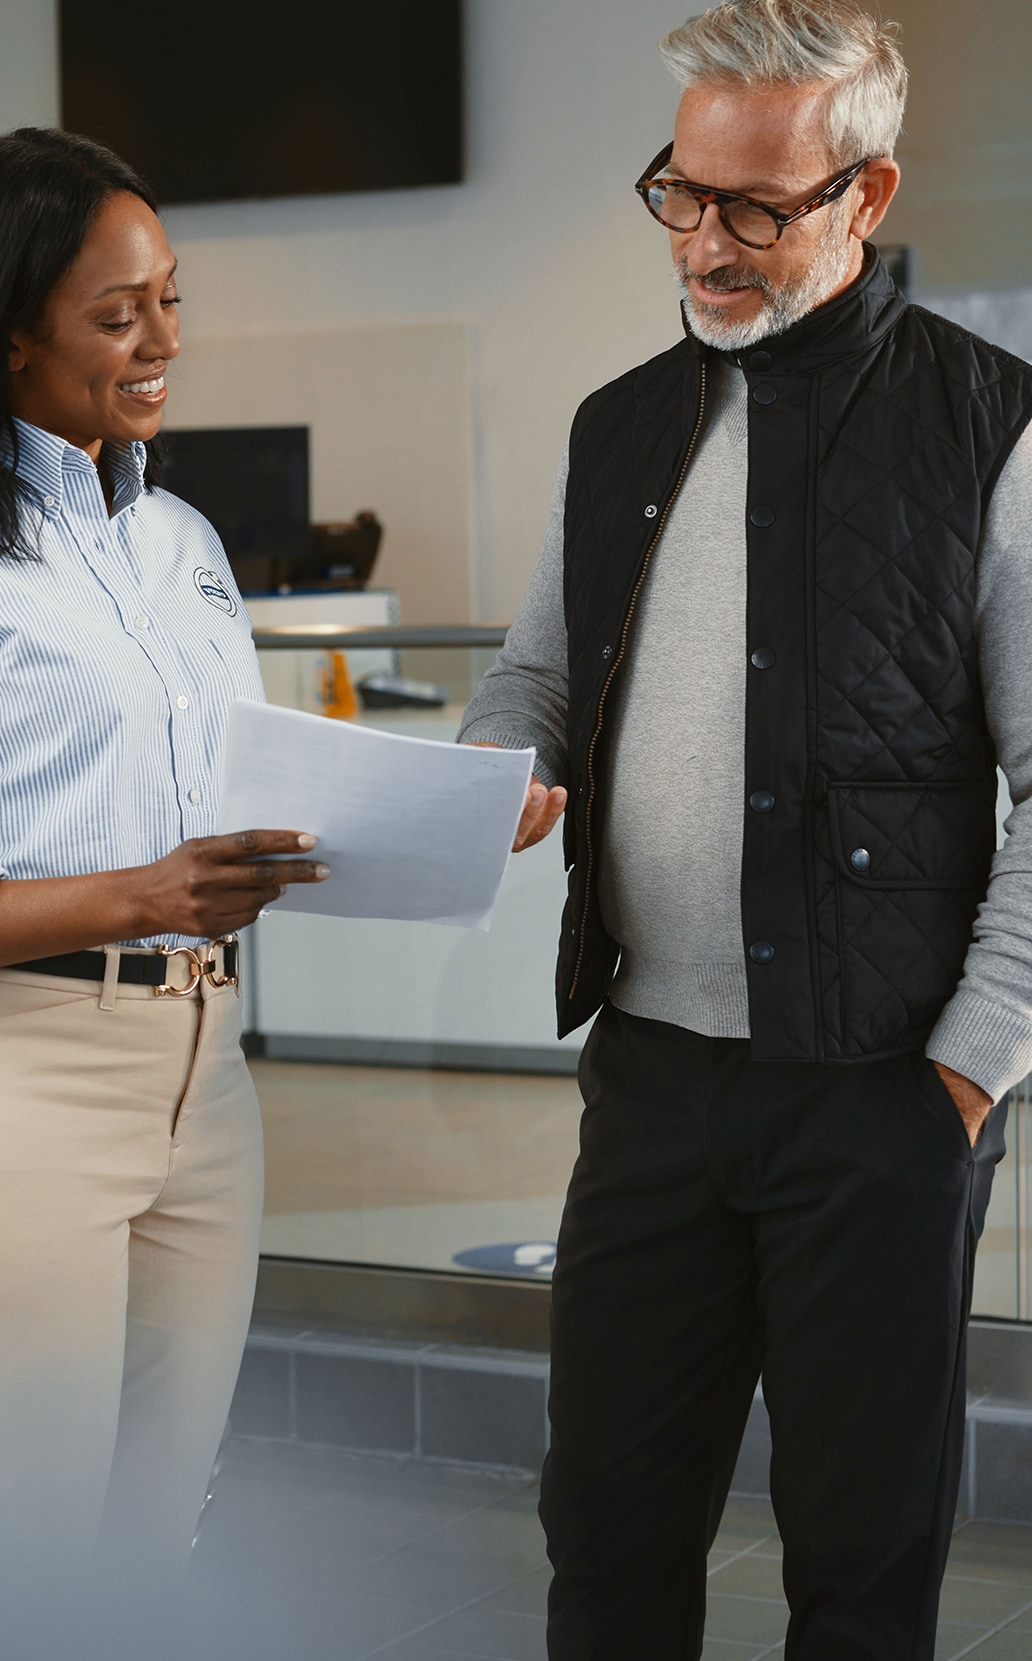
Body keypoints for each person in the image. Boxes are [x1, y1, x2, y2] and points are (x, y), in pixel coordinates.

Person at [459, 2, 1032, 1653]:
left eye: (758, 208)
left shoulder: (988, 426)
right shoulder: (616, 424)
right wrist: (506, 755)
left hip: (883, 1094)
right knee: (608, 1540)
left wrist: (964, 1076)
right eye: (682, 195)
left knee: (861, 1569)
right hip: (651, 1087)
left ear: (868, 192)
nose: (706, 243)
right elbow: (536, 674)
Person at [0, 128, 334, 1567]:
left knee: (153, 1545)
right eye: (116, 313)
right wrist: (147, 891)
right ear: (4, 336)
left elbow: (228, 788)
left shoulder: (184, 545)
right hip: (8, 1086)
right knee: (19, 1559)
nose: (161, 340)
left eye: (170, 298)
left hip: (203, 1081)